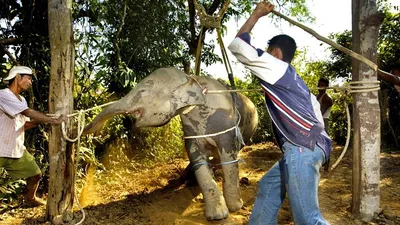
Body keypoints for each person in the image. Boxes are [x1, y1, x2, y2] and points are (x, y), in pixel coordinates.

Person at [228, 1, 331, 224]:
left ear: (274, 52)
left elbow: (237, 45)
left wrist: (256, 14)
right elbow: (318, 120)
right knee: (270, 184)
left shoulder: (276, 67)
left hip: (302, 149)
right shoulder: (297, 83)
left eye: (267, 52)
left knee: (308, 218)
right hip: (310, 146)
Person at [0, 66, 66, 206]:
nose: (30, 82)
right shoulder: (3, 95)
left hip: (15, 149)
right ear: (17, 78)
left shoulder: (21, 100)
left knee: (35, 174)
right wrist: (53, 120)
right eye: (28, 78)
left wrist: (44, 118)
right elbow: (28, 113)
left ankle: (30, 199)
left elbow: (25, 124)